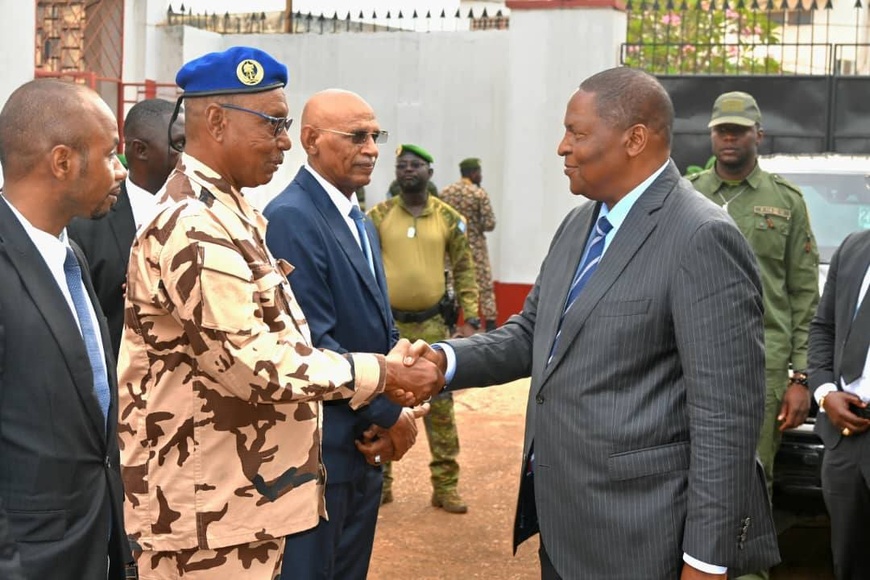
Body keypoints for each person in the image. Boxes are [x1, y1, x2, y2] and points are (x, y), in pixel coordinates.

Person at [406, 67, 780, 578]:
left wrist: (706, 560)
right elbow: (531, 333)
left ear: (635, 139)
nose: (562, 147)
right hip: (565, 528)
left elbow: (726, 418)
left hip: (641, 536)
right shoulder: (580, 222)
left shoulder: (700, 236)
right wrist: (444, 361)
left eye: (577, 133)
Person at [116, 46, 442, 578]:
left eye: (285, 124)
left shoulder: (232, 212)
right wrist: (381, 373)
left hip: (239, 504)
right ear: (216, 122)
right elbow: (256, 362)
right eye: (272, 124)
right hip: (207, 519)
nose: (285, 141)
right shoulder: (193, 224)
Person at [263, 89, 426, 579]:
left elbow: (379, 325)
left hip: (363, 444)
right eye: (357, 136)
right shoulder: (292, 216)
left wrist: (401, 397)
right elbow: (314, 343)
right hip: (321, 453)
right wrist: (391, 413)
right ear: (310, 140)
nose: (372, 148)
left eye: (376, 135)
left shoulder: (358, 217)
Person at [0, 79, 133, 579]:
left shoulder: (68, 254)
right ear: (62, 162)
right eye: (110, 156)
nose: (120, 171)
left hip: (92, 545)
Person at [688, 92, 819, 516]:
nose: (729, 138)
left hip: (762, 367)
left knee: (753, 479)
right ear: (711, 135)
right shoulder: (684, 196)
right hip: (688, 360)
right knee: (684, 473)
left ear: (758, 135)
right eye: (721, 130)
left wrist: (801, 378)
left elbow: (803, 294)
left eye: (739, 131)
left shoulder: (786, 201)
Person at [368, 144, 479, 514]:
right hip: (389, 326)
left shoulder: (448, 218)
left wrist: (473, 315)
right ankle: (379, 481)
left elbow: (464, 266)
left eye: (415, 165)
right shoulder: (377, 216)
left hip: (433, 324)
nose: (408, 170)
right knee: (380, 398)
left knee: (441, 404)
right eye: (402, 165)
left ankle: (445, 485)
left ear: (430, 172)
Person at [68, 98, 184, 358]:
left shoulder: (204, 215)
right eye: (179, 145)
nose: (189, 157)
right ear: (140, 150)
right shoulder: (87, 223)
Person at [808, 230, 870, 580]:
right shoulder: (852, 247)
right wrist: (824, 392)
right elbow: (823, 327)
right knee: (848, 563)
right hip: (845, 436)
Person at [440, 157, 499, 332]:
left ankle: (451, 324)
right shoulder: (479, 193)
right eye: (479, 172)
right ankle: (490, 326)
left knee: (452, 282)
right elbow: (490, 223)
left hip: (452, 248)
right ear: (473, 173)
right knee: (485, 286)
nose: (480, 176)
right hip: (476, 248)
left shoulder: (446, 192)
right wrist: (474, 226)